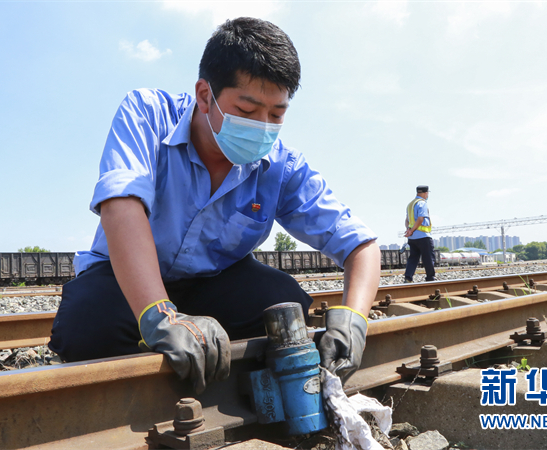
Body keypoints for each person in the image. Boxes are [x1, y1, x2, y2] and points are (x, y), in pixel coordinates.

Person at [48, 17, 381, 394]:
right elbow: (121, 205)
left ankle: (230, 389)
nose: (263, 127)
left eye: (276, 115)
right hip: (125, 277)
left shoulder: (281, 167)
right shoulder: (148, 114)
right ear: (205, 95)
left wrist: (354, 319)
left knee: (283, 304)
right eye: (248, 110)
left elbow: (360, 245)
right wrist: (160, 315)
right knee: (87, 325)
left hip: (212, 282)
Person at [403, 185, 435, 283]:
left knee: (413, 258)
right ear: (425, 193)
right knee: (428, 257)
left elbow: (407, 220)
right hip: (423, 236)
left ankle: (408, 277)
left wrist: (409, 230)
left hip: (412, 238)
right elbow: (421, 218)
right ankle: (430, 278)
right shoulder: (422, 203)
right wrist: (412, 230)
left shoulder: (410, 204)